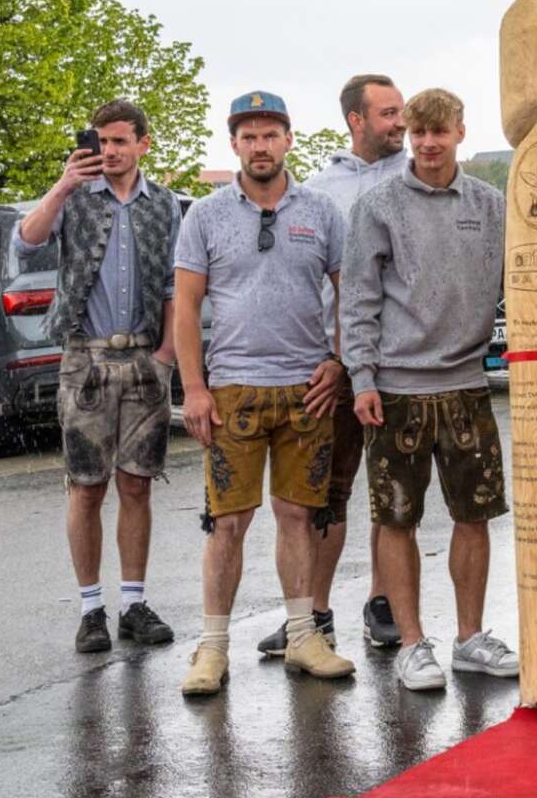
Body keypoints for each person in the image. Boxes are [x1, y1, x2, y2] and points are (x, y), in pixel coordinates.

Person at [174, 91, 356, 696]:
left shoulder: (323, 212)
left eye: (269, 134)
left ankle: (305, 635)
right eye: (248, 136)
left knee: (299, 514)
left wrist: (338, 360)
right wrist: (194, 388)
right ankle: (213, 647)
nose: (259, 146)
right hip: (233, 390)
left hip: (307, 389)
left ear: (288, 139)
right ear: (234, 144)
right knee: (228, 521)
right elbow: (187, 305)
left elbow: (348, 296)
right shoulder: (204, 214)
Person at [341, 87, 518, 694]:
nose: (428, 144)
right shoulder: (380, 205)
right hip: (396, 392)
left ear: (461, 133)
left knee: (475, 516)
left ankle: (470, 638)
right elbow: (358, 297)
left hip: (469, 385)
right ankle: (413, 644)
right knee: (397, 520)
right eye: (418, 134)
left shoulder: (492, 204)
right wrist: (362, 377)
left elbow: (513, 286)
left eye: (439, 132)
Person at [15, 100, 181, 654]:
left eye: (120, 142)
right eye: (102, 142)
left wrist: (166, 357)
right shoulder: (76, 196)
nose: (109, 151)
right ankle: (91, 609)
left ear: (142, 144)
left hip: (142, 359)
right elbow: (27, 238)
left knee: (137, 483)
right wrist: (63, 184)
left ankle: (133, 603)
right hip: (84, 357)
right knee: (87, 485)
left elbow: (174, 289)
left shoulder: (163, 206)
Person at [256, 74, 407, 661]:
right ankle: (314, 616)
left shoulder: (419, 177)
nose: (399, 123)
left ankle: (385, 603)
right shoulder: (321, 192)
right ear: (356, 120)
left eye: (402, 113)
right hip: (338, 367)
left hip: (402, 363)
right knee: (328, 493)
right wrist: (331, 357)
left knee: (394, 492)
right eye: (389, 114)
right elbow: (312, 283)